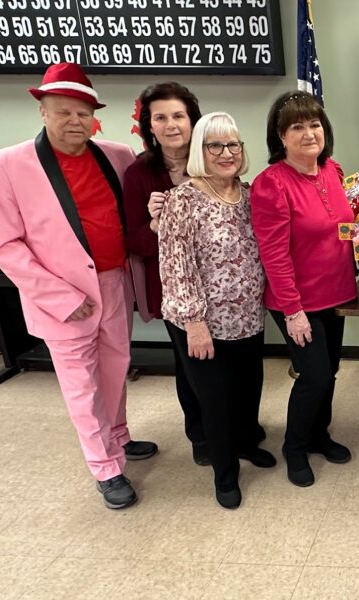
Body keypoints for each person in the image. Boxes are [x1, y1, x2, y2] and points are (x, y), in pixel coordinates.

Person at [0, 62, 157, 510]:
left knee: (115, 369)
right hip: (61, 298)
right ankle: (105, 468)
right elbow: (5, 244)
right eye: (63, 112)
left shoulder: (117, 155)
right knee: (82, 384)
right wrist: (60, 295)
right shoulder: (4, 165)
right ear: (42, 110)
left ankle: (118, 437)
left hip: (115, 282)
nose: (75, 121)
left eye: (83, 112)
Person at [158, 112, 272, 510]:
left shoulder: (249, 194)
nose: (227, 153)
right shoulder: (183, 200)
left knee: (248, 386)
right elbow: (176, 265)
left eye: (233, 145)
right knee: (216, 398)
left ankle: (245, 444)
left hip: (246, 317)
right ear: (199, 151)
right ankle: (225, 474)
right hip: (201, 322)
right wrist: (194, 322)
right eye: (215, 145)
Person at [250, 92, 358, 488]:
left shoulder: (334, 171)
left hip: (337, 293)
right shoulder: (271, 185)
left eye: (314, 124)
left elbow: (341, 227)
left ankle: (319, 436)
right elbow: (273, 254)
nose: (309, 133)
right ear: (280, 136)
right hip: (297, 301)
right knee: (313, 376)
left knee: (329, 371)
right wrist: (293, 312)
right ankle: (294, 448)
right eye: (297, 126)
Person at [122, 82, 211, 465]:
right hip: (173, 291)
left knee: (227, 365)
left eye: (179, 115)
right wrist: (158, 223)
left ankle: (238, 428)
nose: (171, 124)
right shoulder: (139, 174)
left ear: (193, 120)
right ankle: (202, 438)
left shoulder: (212, 159)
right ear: (149, 125)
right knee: (191, 366)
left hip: (220, 284)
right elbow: (134, 240)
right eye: (161, 117)